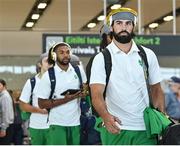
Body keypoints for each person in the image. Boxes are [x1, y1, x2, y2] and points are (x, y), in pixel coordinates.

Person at [89, 7, 165, 145]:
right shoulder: (102, 58)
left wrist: (161, 118)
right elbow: (96, 95)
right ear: (111, 27)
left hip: (146, 129)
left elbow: (157, 89)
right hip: (116, 128)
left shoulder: (148, 55)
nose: (124, 27)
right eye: (119, 23)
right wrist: (106, 117)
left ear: (133, 26)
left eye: (128, 23)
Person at [37, 42, 87, 145]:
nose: (66, 55)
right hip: (57, 124)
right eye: (62, 52)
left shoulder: (78, 71)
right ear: (55, 56)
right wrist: (67, 99)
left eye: (68, 52)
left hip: (76, 123)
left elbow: (85, 89)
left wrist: (84, 93)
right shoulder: (48, 76)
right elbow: (41, 104)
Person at [19, 53, 52, 145]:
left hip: (55, 127)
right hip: (37, 126)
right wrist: (39, 110)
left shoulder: (59, 81)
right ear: (39, 64)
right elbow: (22, 105)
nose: (50, 64)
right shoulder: (32, 82)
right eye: (47, 61)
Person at [0, 79, 14, 144]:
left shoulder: (5, 97)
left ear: (4, 86)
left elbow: (5, 113)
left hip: (6, 126)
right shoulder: (2, 96)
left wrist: (3, 129)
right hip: (6, 125)